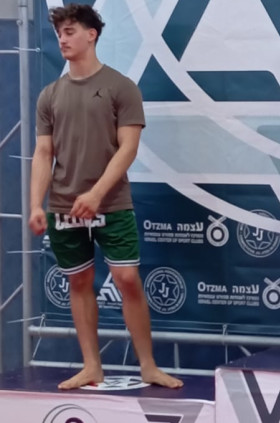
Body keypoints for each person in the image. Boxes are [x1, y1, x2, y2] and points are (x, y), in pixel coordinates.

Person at [29, 3, 182, 390]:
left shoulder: (121, 87)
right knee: (79, 283)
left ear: (91, 34)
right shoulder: (49, 95)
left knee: (127, 279)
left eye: (70, 32)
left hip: (111, 204)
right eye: (59, 33)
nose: (62, 39)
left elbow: (128, 148)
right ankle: (91, 366)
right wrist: (35, 205)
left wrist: (97, 194)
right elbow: (43, 153)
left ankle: (148, 366)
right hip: (63, 207)